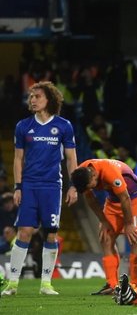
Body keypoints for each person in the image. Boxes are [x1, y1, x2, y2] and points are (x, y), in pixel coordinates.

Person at [2, 81, 78, 296]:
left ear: (49, 99)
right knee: (24, 232)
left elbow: (72, 159)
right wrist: (18, 187)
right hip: (29, 185)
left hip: (53, 186)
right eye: (31, 96)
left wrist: (74, 186)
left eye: (37, 96)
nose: (32, 100)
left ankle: (46, 284)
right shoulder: (23, 126)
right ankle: (13, 284)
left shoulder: (64, 126)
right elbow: (18, 159)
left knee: (51, 234)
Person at [70, 158, 137, 295]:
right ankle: (112, 285)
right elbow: (90, 198)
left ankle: (134, 285)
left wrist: (129, 224)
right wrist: (103, 221)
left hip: (134, 197)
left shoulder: (109, 171)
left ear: (94, 175)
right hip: (113, 200)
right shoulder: (82, 173)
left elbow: (125, 198)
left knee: (135, 239)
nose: (91, 189)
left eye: (90, 186)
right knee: (106, 238)